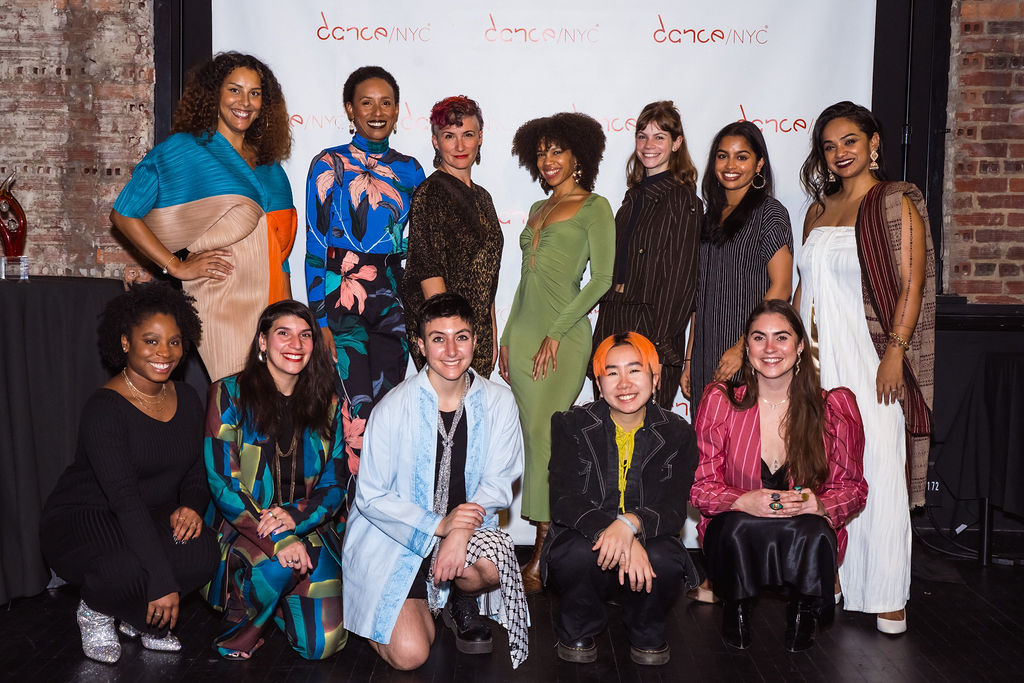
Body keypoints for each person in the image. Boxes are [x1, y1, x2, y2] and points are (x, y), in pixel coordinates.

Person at [796, 101, 935, 635]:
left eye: (850, 141)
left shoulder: (896, 202)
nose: (840, 154)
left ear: (874, 142)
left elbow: (911, 285)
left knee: (876, 465)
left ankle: (885, 592)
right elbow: (806, 293)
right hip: (819, 359)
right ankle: (831, 577)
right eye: (829, 146)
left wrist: (895, 353)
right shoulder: (817, 209)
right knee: (824, 472)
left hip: (873, 357)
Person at [343, 293, 527, 670]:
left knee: (492, 563)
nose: (451, 350)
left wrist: (457, 532)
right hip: (396, 540)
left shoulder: (498, 402)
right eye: (438, 338)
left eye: (461, 336)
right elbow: (372, 497)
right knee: (410, 656)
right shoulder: (393, 406)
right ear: (421, 345)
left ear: (476, 341)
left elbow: (498, 481)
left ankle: (460, 598)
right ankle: (390, 608)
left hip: (465, 531)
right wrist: (438, 526)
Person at [40, 282, 220, 663]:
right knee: (125, 568)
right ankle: (97, 610)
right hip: (84, 516)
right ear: (125, 343)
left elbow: (195, 469)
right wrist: (161, 582)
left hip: (146, 513)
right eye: (151, 341)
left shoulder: (186, 398)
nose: (164, 353)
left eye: (174, 342)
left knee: (203, 551)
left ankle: (139, 618)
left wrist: (191, 504)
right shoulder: (104, 409)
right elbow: (123, 498)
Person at [691, 300, 867, 651]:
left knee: (814, 529)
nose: (770, 349)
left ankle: (804, 614)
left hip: (802, 530)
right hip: (736, 530)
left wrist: (818, 504)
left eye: (781, 338)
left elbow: (854, 489)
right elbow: (701, 489)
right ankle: (736, 611)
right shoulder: (721, 401)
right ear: (747, 346)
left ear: (800, 346)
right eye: (759, 338)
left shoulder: (832, 408)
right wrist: (742, 499)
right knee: (736, 524)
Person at [111, 52, 296, 382]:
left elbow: (281, 254)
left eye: (255, 93)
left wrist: (289, 314)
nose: (245, 102)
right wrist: (175, 264)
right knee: (236, 398)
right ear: (215, 94)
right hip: (222, 299)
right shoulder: (186, 149)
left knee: (275, 406)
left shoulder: (270, 166)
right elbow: (124, 213)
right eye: (234, 90)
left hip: (274, 301)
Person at [499, 112, 615, 593]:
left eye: (557, 151)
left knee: (548, 439)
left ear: (578, 157)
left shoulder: (595, 207)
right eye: (542, 152)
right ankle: (550, 540)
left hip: (563, 339)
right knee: (532, 439)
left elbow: (602, 280)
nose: (548, 160)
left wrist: (556, 331)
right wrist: (507, 336)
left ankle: (545, 552)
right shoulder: (536, 208)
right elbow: (525, 282)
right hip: (524, 334)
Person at [202, 300, 348, 660]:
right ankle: (241, 630)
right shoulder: (228, 394)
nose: (295, 344)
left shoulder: (328, 403)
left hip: (307, 527)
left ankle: (279, 605)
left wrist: (295, 519)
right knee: (275, 565)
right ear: (263, 342)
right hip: (243, 528)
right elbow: (224, 484)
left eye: (305, 335)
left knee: (322, 647)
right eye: (283, 333)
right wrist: (281, 538)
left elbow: (337, 483)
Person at [544, 332, 700, 666]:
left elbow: (672, 509)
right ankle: (578, 629)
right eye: (612, 372)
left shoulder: (678, 432)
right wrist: (613, 531)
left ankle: (647, 631)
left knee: (663, 558)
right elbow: (563, 500)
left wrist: (630, 525)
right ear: (599, 384)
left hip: (650, 539)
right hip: (587, 541)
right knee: (575, 552)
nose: (624, 382)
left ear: (655, 378)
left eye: (635, 370)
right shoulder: (570, 425)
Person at [304, 65, 426, 489]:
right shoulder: (329, 163)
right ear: (350, 110)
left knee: (389, 413)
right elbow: (316, 245)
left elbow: (415, 242)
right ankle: (349, 520)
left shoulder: (412, 170)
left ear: (397, 110)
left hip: (393, 298)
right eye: (366, 102)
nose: (377, 111)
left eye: (386, 102)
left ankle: (383, 520)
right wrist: (318, 320)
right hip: (343, 296)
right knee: (353, 412)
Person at [592, 101, 700, 408]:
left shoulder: (682, 200)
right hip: (614, 321)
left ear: (677, 143)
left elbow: (681, 281)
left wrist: (662, 346)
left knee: (647, 435)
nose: (648, 145)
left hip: (653, 328)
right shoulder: (631, 199)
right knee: (609, 433)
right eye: (642, 136)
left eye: (659, 136)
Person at [683, 121, 793, 412]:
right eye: (722, 155)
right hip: (707, 356)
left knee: (745, 446)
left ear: (759, 165)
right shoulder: (708, 218)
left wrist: (743, 348)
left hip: (748, 355)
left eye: (741, 156)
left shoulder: (769, 213)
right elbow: (699, 298)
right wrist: (690, 360)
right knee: (708, 448)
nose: (730, 165)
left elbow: (782, 286)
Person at [401, 95, 503, 377]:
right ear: (436, 141)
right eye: (449, 136)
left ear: (480, 137)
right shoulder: (431, 193)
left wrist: (489, 333)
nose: (459, 146)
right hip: (446, 339)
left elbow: (487, 274)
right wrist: (450, 338)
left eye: (467, 134)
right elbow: (428, 270)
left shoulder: (483, 197)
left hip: (476, 334)